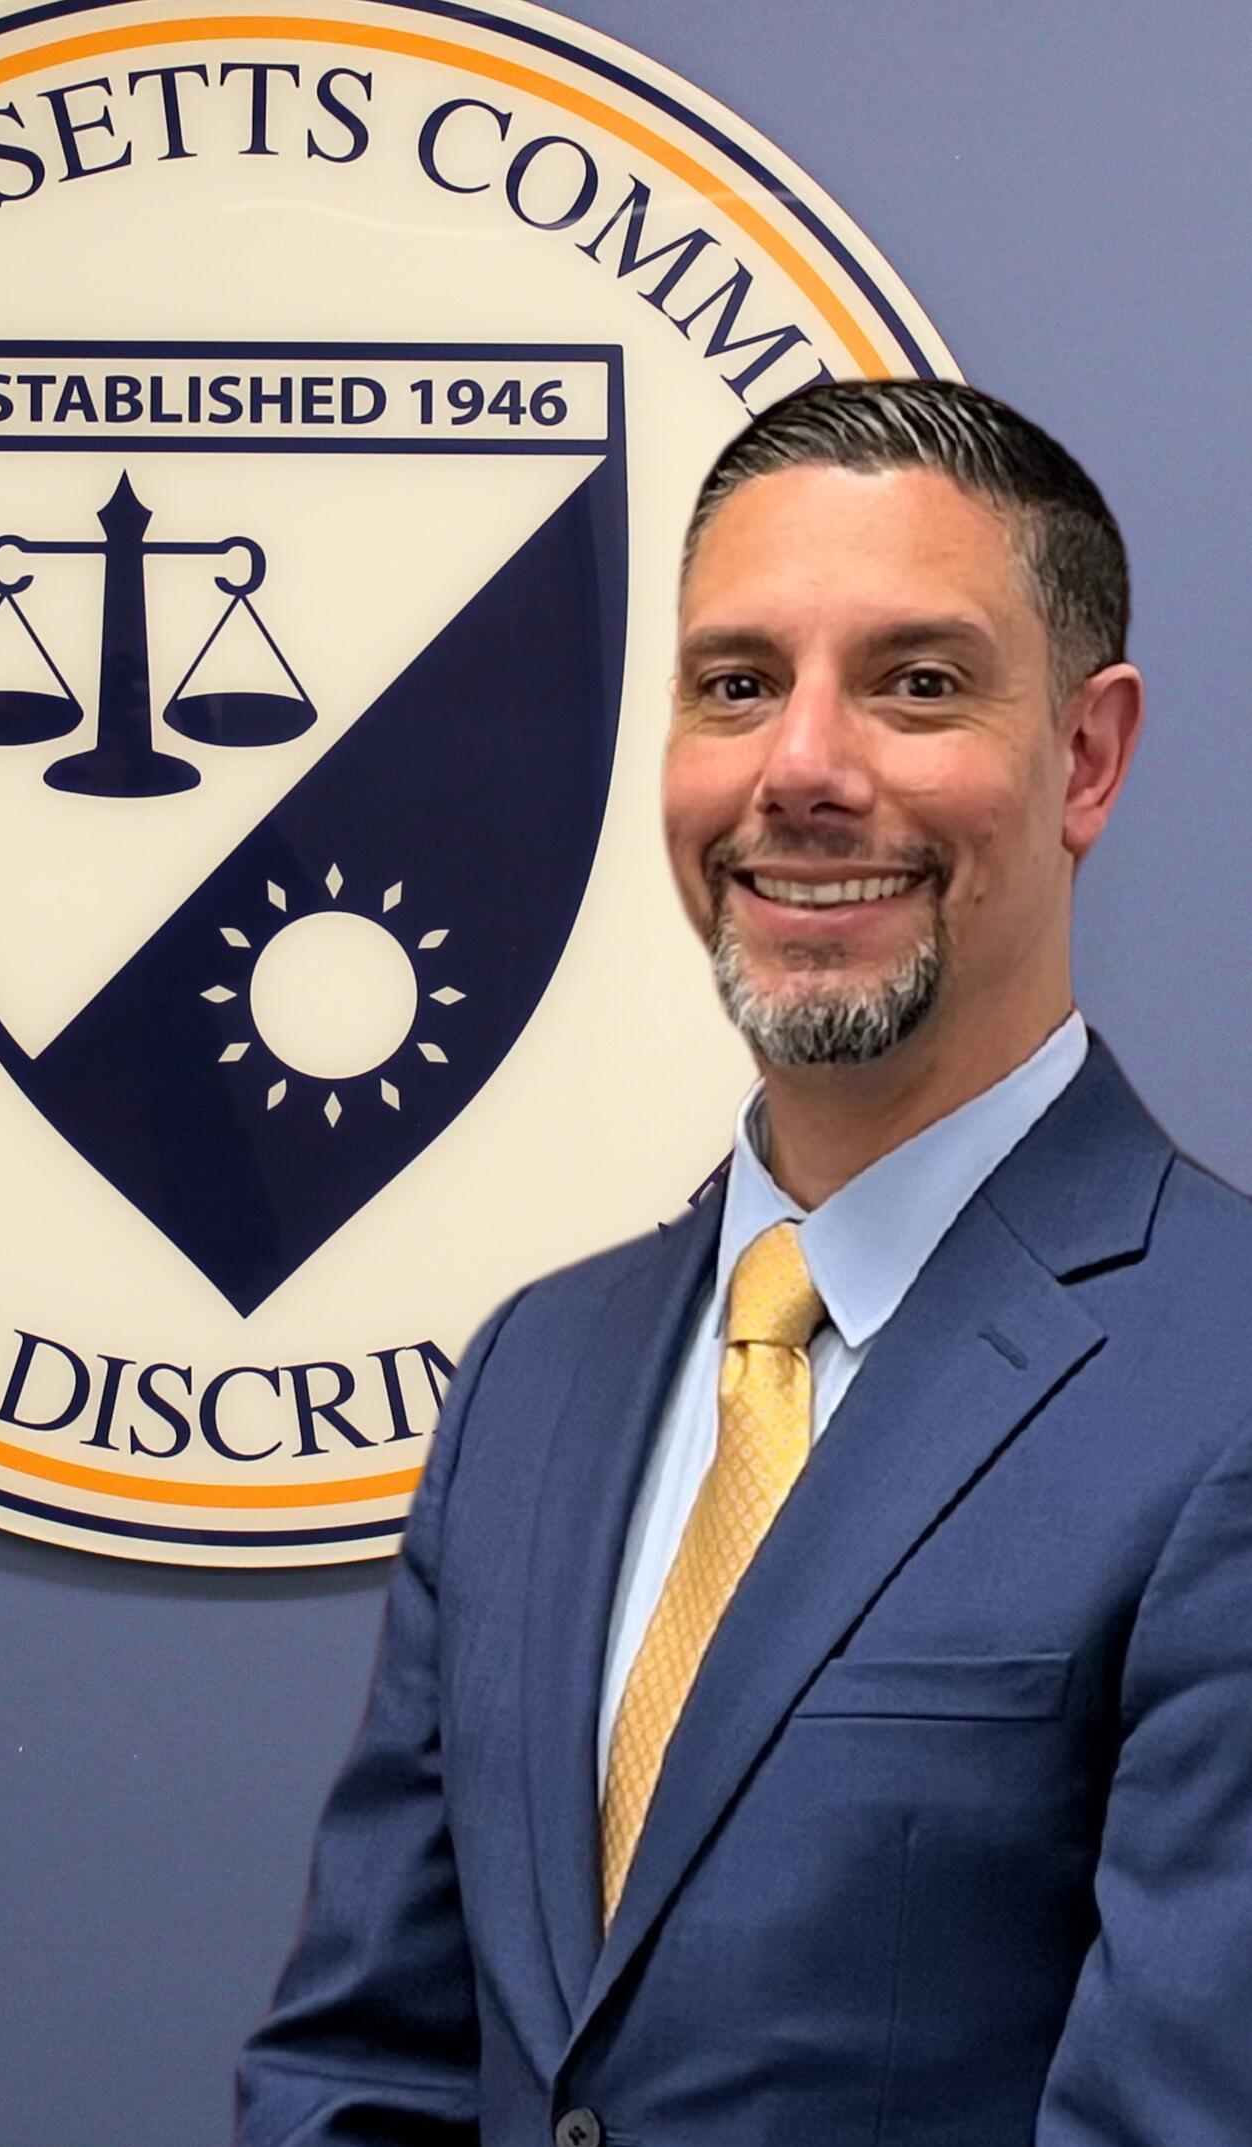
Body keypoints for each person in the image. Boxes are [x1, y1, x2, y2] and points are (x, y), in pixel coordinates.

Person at [236, 379, 1252, 2145]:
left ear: (1084, 758)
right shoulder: (533, 1382)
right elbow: (366, 2069)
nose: (800, 767)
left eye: (915, 683)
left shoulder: (1219, 1376)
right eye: (735, 685)